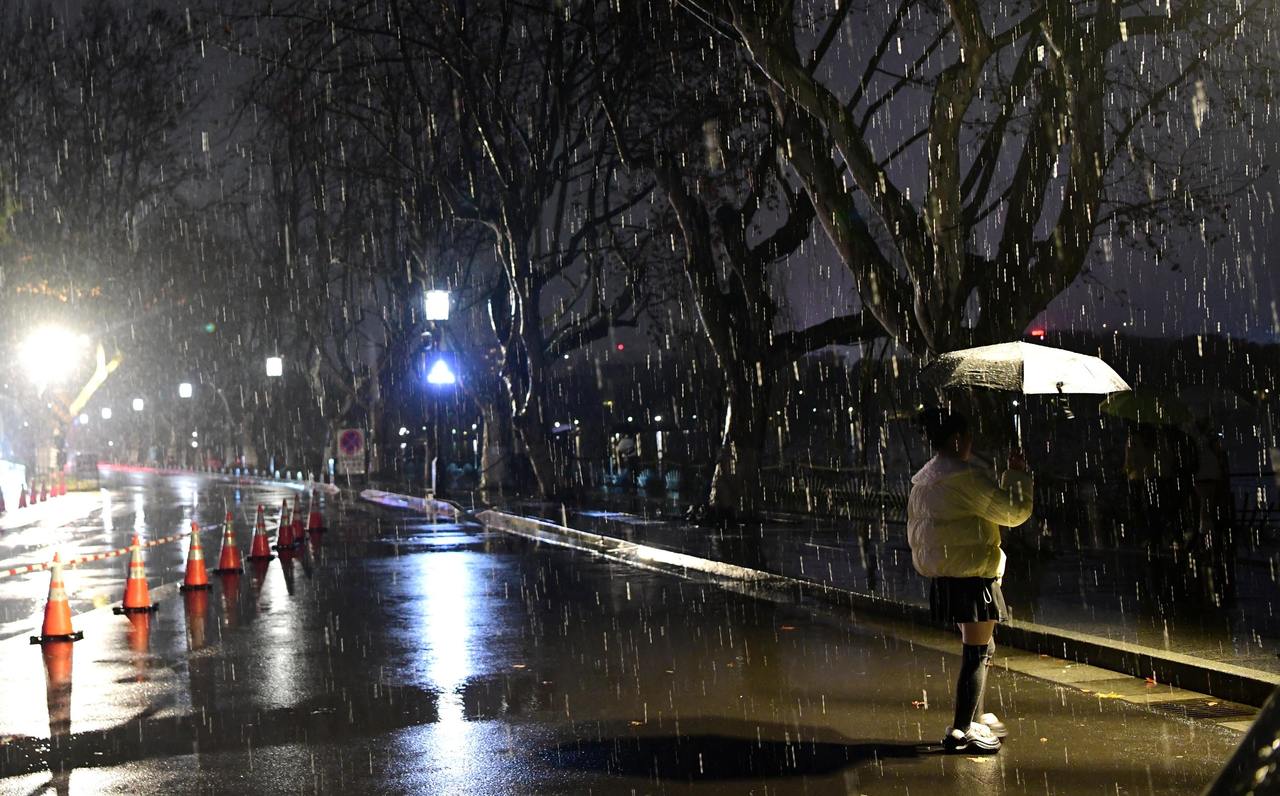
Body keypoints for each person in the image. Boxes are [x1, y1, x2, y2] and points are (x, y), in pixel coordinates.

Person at [907, 407, 1033, 754]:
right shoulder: (965, 477)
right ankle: (962, 729)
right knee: (978, 650)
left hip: (948, 574)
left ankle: (975, 715)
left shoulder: (924, 480)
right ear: (958, 439)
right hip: (973, 575)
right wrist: (1017, 476)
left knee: (980, 647)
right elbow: (1012, 512)